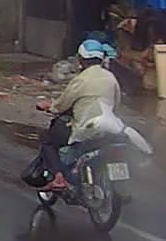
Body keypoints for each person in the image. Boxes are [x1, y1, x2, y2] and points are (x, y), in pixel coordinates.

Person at [35, 39, 122, 191]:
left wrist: (49, 106)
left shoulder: (81, 80)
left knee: (48, 140)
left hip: (86, 129)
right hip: (110, 127)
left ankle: (59, 178)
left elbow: (62, 105)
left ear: (81, 60)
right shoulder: (111, 78)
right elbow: (116, 103)